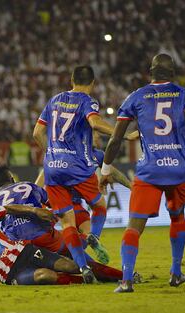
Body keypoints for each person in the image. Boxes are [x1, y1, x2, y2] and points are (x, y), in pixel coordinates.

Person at [99, 53, 185, 293]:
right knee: (177, 217)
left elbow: (115, 139)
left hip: (150, 171)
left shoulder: (136, 96)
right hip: (180, 170)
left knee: (134, 226)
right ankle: (176, 273)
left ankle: (126, 281)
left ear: (150, 73)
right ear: (173, 74)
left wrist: (105, 169)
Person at [32, 65, 118, 283]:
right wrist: (121, 133)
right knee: (99, 206)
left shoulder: (54, 100)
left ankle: (83, 268)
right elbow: (95, 123)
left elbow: (37, 133)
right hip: (78, 166)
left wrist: (51, 152)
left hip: (52, 167)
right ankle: (93, 236)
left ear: (71, 79)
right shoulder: (88, 101)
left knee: (67, 223)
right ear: (93, 83)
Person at [0, 164, 128, 283]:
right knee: (76, 251)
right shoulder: (27, 186)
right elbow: (54, 204)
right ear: (12, 178)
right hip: (45, 237)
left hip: (21, 248)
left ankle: (79, 276)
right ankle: (121, 273)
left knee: (46, 268)